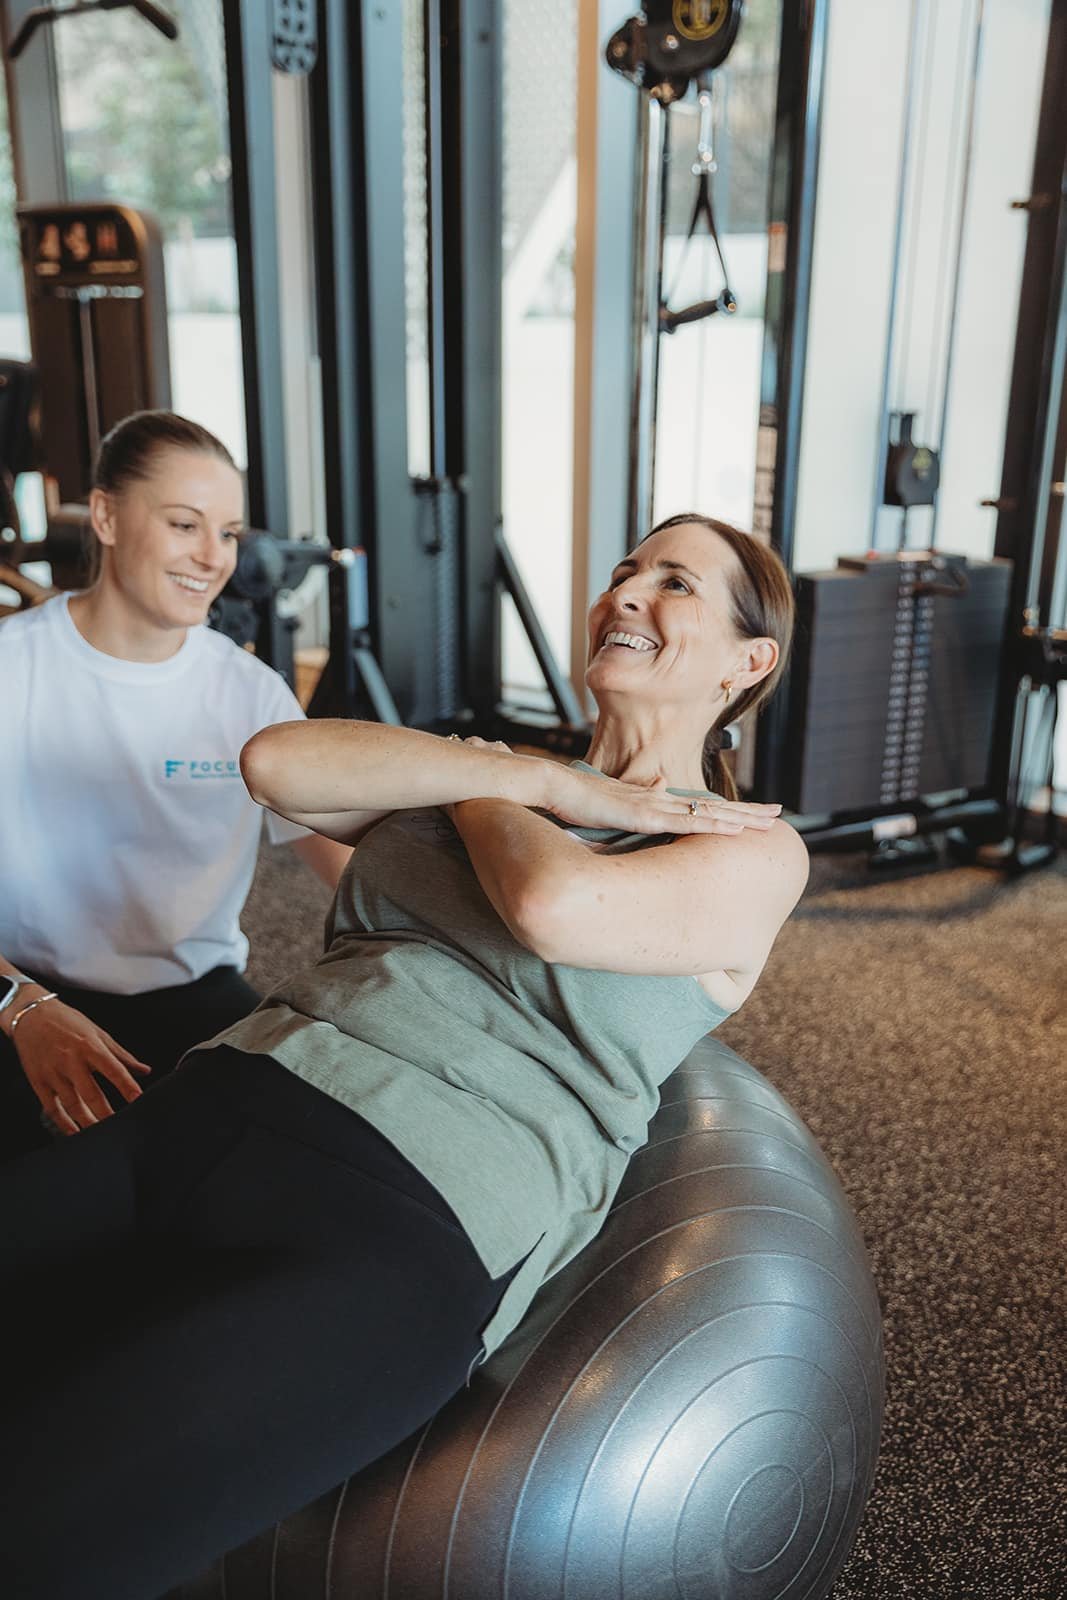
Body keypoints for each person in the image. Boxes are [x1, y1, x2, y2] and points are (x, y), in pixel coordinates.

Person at [0, 513, 809, 1600]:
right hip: (218, 1105)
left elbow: (553, 902)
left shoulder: (747, 844)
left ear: (747, 661)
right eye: (621, 571)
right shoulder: (513, 778)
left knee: (46, 1531)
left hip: (402, 1220)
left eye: (673, 583)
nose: (624, 593)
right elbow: (276, 760)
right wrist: (547, 777)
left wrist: (491, 782)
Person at [0, 410, 350, 1161]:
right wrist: (20, 1006)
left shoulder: (251, 695)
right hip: (21, 991)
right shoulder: (12, 668)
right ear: (105, 515)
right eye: (185, 524)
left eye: (227, 533)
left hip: (196, 993)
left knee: (281, 1174)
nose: (212, 557)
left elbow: (350, 865)